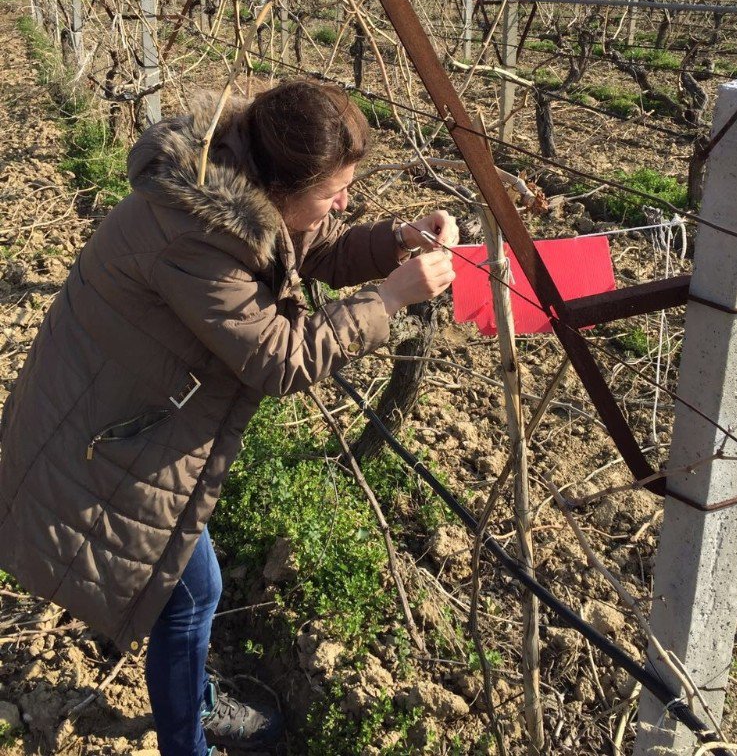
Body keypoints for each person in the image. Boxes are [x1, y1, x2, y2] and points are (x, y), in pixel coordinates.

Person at [0, 79, 458, 756]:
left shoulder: (235, 183)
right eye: (334, 190)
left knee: (187, 591)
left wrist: (396, 239)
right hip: (106, 434)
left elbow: (317, 245)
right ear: (281, 183)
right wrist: (388, 302)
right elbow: (278, 359)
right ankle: (190, 743)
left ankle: (189, 703)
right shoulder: (194, 239)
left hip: (131, 415)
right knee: (190, 595)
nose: (344, 202)